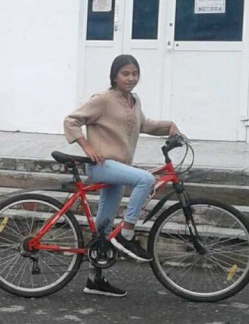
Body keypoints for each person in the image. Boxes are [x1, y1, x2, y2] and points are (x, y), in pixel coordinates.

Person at [64, 54, 180, 297]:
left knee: (104, 225)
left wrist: (169, 126)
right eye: (125, 73)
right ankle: (127, 233)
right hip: (102, 165)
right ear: (114, 76)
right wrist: (87, 147)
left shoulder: (134, 101)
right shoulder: (103, 99)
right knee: (146, 179)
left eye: (135, 74)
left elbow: (144, 125)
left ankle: (94, 279)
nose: (131, 78)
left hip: (118, 169)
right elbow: (71, 120)